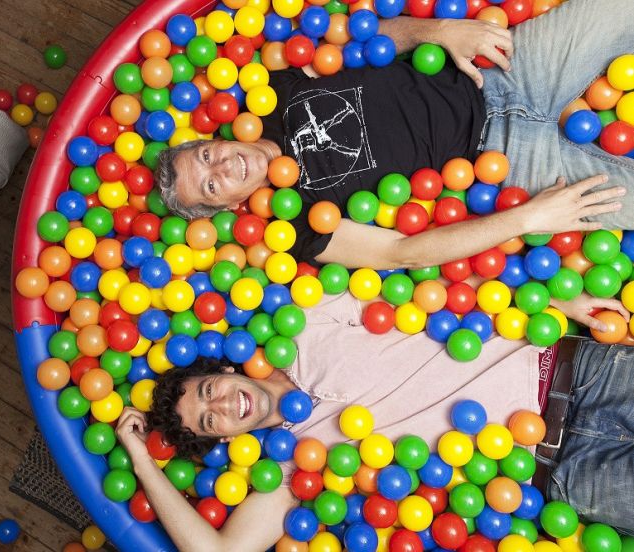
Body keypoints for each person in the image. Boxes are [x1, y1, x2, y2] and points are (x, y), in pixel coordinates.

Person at [115, 290, 633, 552]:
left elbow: (438, 284)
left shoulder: (305, 319)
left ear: (224, 370)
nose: (226, 406)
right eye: (211, 422)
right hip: (561, 472)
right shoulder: (295, 468)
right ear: (225, 439)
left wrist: (556, 298)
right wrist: (141, 459)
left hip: (576, 372)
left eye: (210, 392)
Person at [155, 0, 633, 269]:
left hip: (493, 70)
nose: (223, 167)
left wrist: (438, 30)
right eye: (212, 185)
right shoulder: (296, 227)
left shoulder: (270, 91)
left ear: (213, 141)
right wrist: (528, 219)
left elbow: (364, 39)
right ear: (228, 206)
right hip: (504, 160)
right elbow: (400, 252)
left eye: (206, 157)